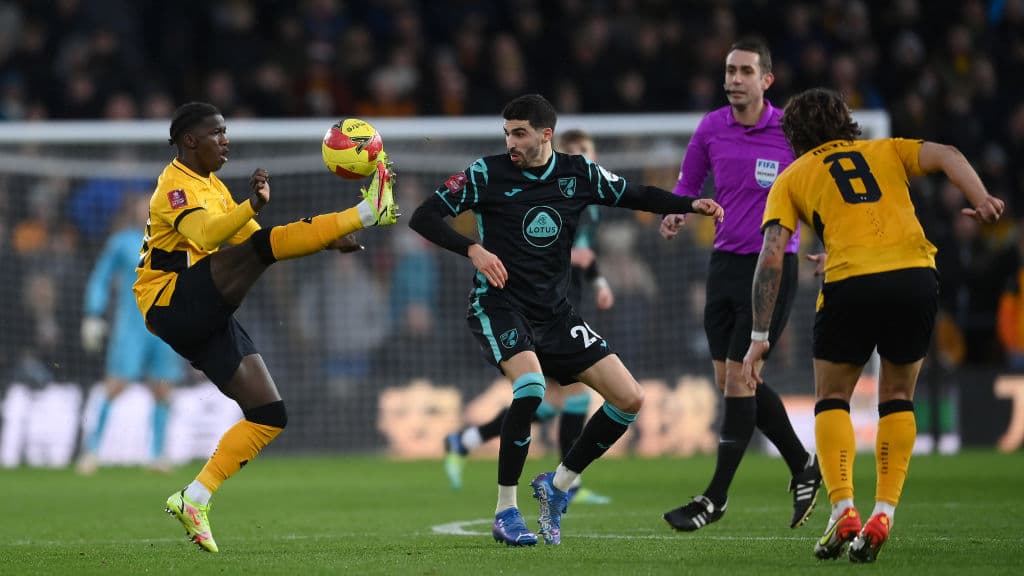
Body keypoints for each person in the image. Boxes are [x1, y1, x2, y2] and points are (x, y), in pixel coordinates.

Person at [409, 93, 723, 547]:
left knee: (630, 399)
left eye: (519, 133)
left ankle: (555, 487)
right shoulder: (486, 173)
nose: (511, 142)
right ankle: (505, 511)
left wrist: (690, 204)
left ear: (545, 134)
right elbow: (425, 216)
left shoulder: (578, 174)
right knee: (532, 388)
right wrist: (472, 249)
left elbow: (636, 194)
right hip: (499, 305)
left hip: (555, 313)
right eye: (507, 133)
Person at [740, 88, 1003, 562]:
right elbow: (949, 154)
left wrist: (760, 337)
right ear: (846, 122)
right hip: (915, 275)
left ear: (794, 136)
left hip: (852, 283)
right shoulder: (885, 149)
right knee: (898, 397)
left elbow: (772, 256)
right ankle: (884, 511)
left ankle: (844, 507)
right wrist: (980, 198)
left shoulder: (793, 176)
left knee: (833, 397)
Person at [136, 102, 397, 552]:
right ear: (189, 141)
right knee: (261, 246)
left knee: (268, 415)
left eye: (226, 131)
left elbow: (261, 237)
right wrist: (255, 204)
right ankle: (367, 212)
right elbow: (206, 236)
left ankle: (194, 498)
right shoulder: (173, 188)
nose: (226, 140)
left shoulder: (212, 185)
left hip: (203, 311)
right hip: (168, 300)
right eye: (216, 132)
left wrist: (326, 240)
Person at [660, 37, 821, 532]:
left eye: (744, 71)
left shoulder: (790, 131)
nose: (733, 79)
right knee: (733, 382)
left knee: (739, 379)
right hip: (724, 264)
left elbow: (822, 187)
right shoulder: (711, 127)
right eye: (729, 70)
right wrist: (676, 210)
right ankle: (803, 466)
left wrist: (833, 239)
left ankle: (716, 497)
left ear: (766, 80)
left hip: (772, 266)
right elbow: (689, 185)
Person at [442, 129, 615, 507]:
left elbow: (583, 254)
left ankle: (467, 441)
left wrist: (599, 281)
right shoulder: (554, 189)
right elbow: (546, 247)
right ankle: (565, 484)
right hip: (537, 307)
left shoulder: (590, 200)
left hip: (563, 304)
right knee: (562, 396)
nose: (583, 156)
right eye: (577, 151)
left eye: (588, 149)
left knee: (550, 401)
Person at [77, 194, 185, 475]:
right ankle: (92, 451)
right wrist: (93, 312)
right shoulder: (122, 243)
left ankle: (158, 455)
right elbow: (101, 277)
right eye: (143, 206)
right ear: (134, 211)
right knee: (115, 386)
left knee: (163, 389)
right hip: (131, 327)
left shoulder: (176, 241)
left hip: (166, 327)